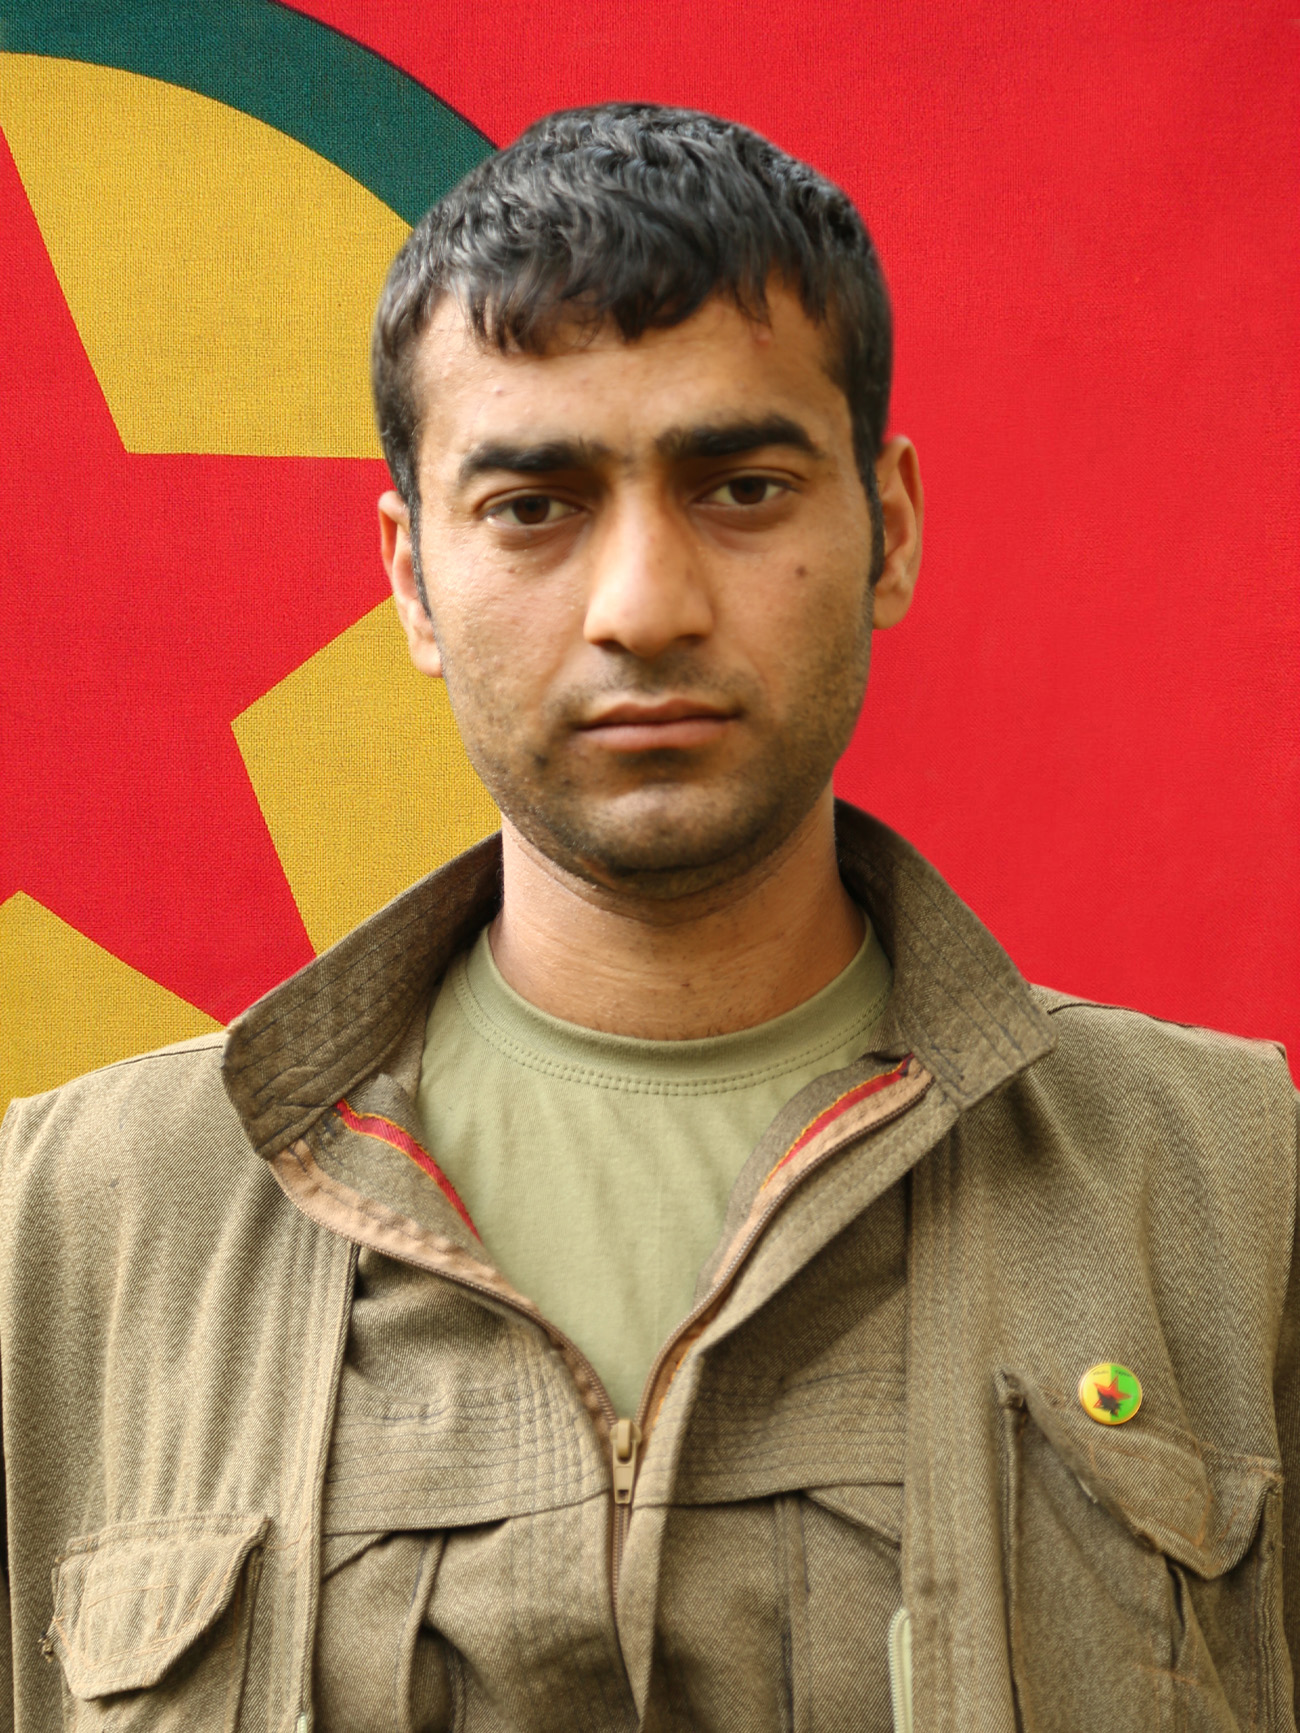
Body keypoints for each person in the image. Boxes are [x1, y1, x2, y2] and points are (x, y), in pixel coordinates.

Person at [1, 103, 1296, 1733]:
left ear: (888, 525)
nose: (643, 607)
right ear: (408, 576)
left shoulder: (1237, 1196)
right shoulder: (65, 1237)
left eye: (741, 487)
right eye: (532, 505)